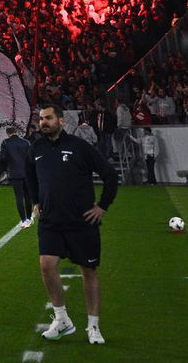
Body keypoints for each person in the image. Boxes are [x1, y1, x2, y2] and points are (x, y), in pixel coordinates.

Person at [28, 102, 118, 345]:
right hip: (50, 221)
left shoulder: (80, 147)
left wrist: (103, 206)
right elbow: (30, 176)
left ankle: (93, 325)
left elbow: (110, 175)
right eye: (41, 119)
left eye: (48, 118)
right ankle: (61, 320)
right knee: (46, 266)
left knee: (88, 271)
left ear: (61, 120)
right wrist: (35, 201)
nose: (43, 122)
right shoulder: (36, 148)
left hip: (81, 222)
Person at [1, 125, 34, 228]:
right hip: (27, 173)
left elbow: (3, 158)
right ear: (16, 132)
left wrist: (6, 168)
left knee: (19, 197)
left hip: (14, 173)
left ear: (8, 133)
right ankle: (29, 218)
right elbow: (31, 158)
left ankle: (23, 220)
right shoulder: (26, 142)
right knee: (28, 196)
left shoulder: (5, 143)